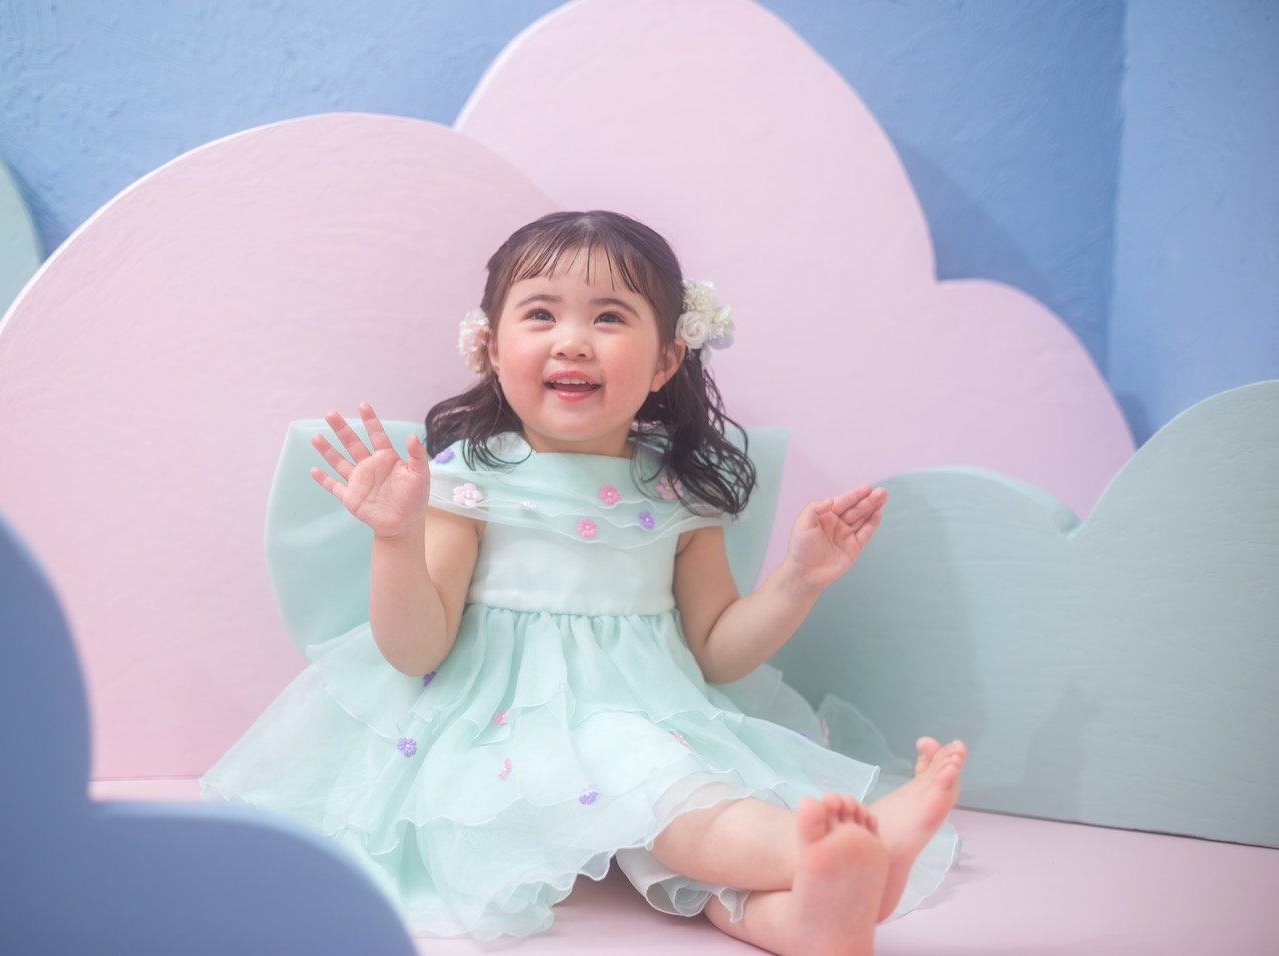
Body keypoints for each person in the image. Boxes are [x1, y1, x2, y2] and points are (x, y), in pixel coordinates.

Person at [202, 211, 965, 956]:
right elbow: (416, 650)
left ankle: (811, 920)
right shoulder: (471, 481)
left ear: (665, 360)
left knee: (685, 833)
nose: (572, 340)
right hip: (508, 736)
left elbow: (716, 653)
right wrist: (396, 538)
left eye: (608, 317)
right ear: (490, 349)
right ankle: (844, 846)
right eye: (541, 314)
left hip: (649, 718)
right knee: (677, 801)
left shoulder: (679, 492)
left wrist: (799, 578)